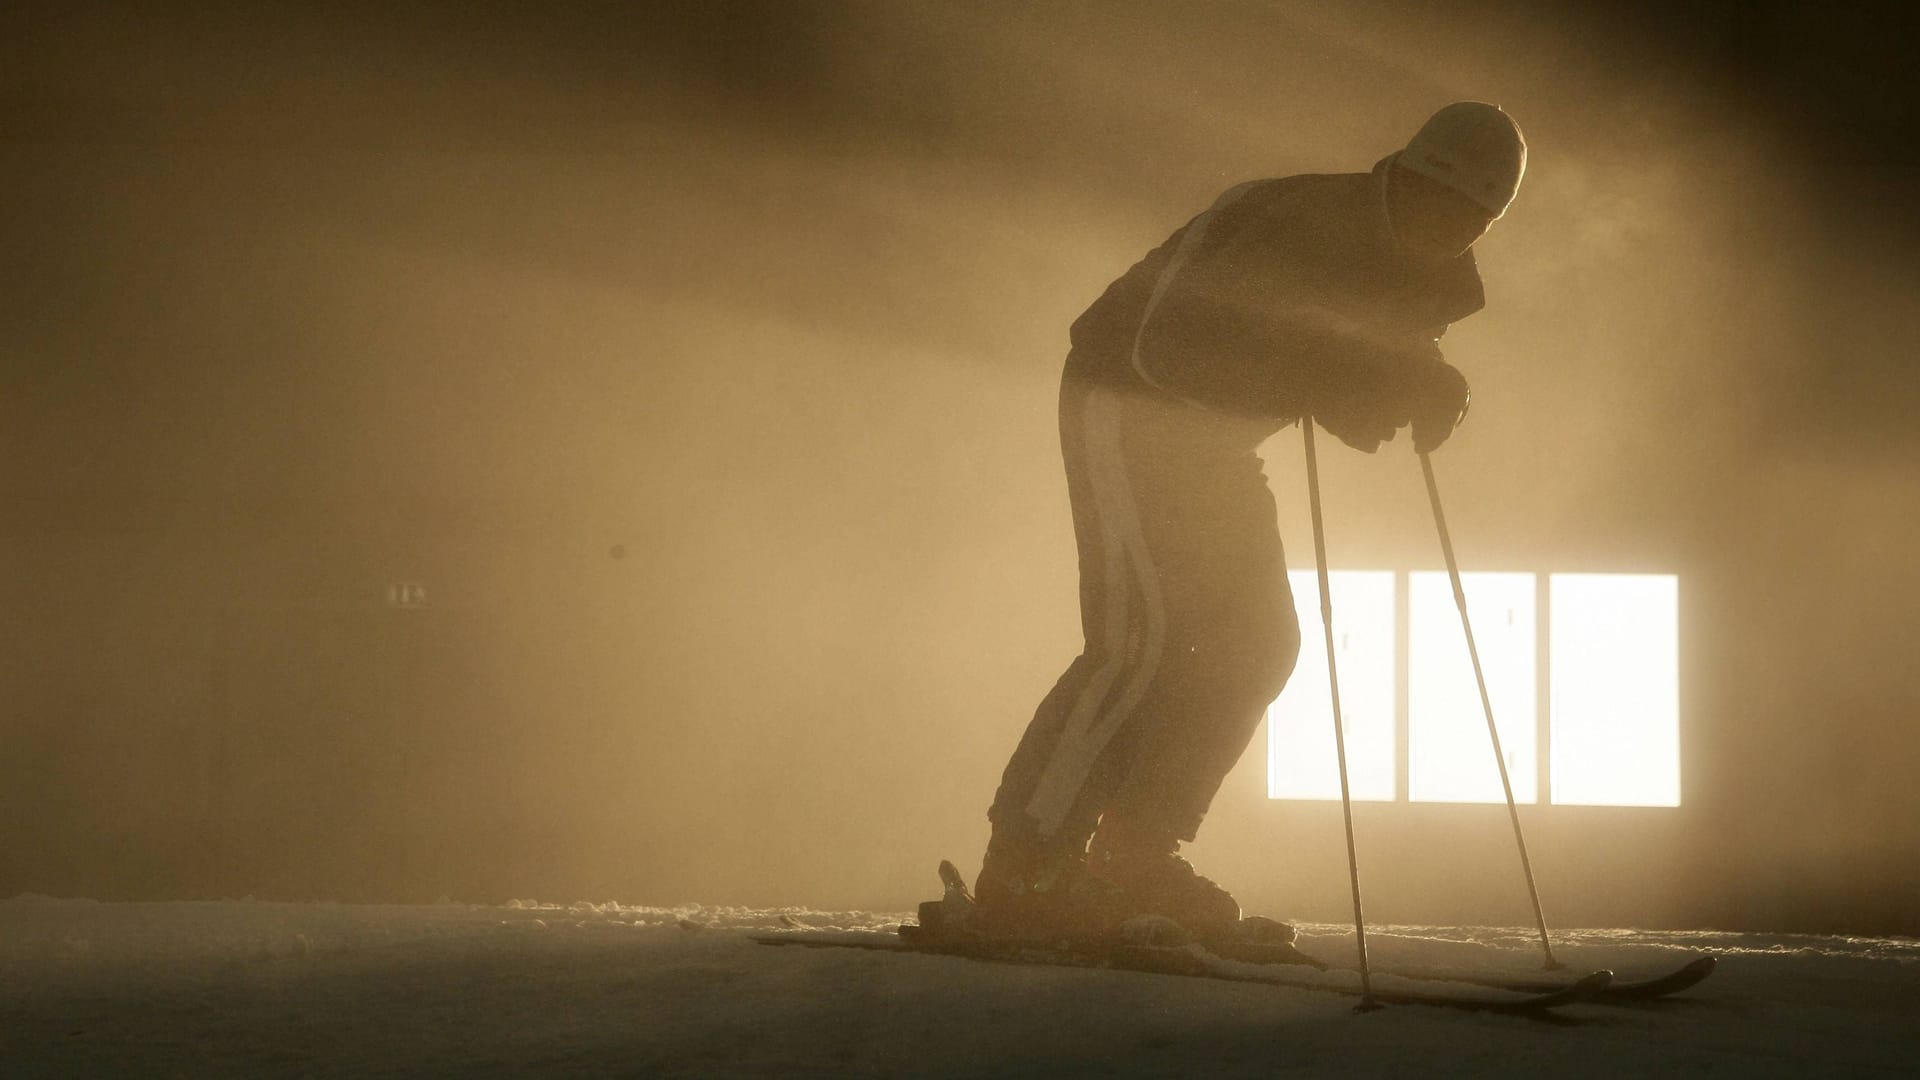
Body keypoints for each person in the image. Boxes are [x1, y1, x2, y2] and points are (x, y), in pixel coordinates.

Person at [976, 102, 1528, 940]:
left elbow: (1384, 344)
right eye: (1439, 202)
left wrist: (1428, 382)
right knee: (1140, 641)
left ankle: (1135, 853)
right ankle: (1025, 866)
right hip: (1127, 405)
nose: (1448, 230)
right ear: (1407, 175)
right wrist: (1324, 382)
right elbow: (1164, 347)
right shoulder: (1295, 223)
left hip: (1218, 445)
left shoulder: (1439, 274)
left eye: (1472, 219)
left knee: (1259, 641)